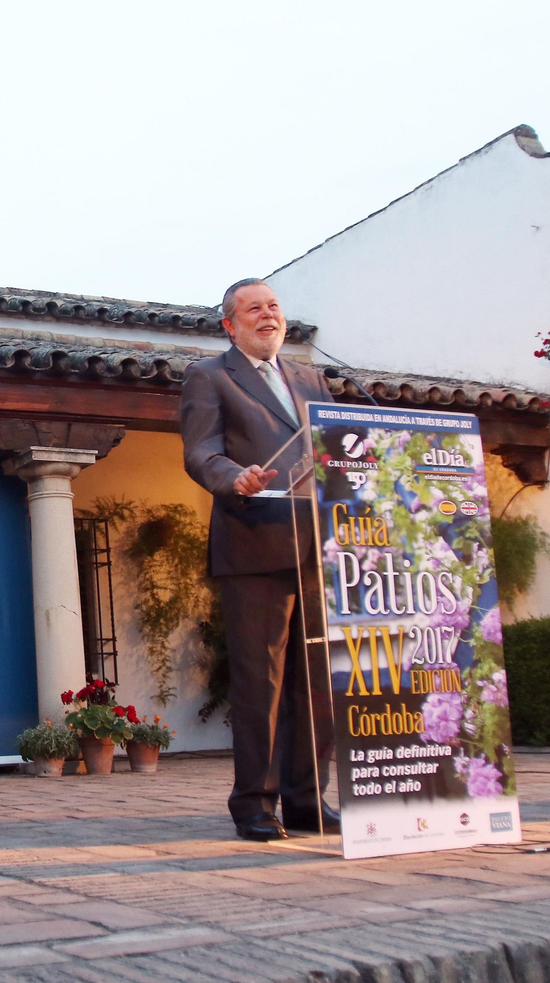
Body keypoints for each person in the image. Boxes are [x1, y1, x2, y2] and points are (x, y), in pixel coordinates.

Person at [179, 278, 337, 842]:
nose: (267, 315)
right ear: (231, 324)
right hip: (253, 545)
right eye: (254, 309)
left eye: (273, 306)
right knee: (260, 684)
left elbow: (338, 448)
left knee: (315, 681)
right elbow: (200, 450)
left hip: (318, 546)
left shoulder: (311, 378)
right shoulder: (211, 376)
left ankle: (307, 799)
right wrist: (234, 478)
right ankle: (254, 804)